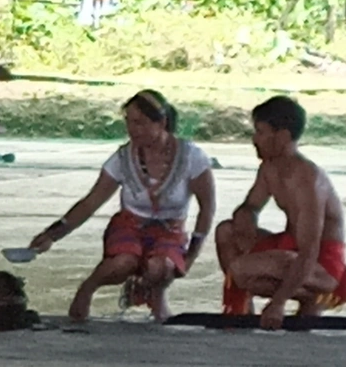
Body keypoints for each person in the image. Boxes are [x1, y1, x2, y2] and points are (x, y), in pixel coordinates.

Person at [27, 89, 218, 324]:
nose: (132, 129)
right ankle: (88, 288)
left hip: (170, 230)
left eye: (140, 123)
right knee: (124, 262)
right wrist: (52, 234)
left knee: (160, 266)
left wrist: (191, 256)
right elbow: (91, 202)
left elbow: (207, 209)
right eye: (128, 122)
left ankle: (155, 294)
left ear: (161, 123)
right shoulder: (123, 158)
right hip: (129, 226)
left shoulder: (192, 157)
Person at [217, 94, 346, 328]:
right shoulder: (269, 168)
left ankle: (315, 297)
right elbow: (250, 206)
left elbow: (309, 250)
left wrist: (277, 304)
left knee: (241, 269)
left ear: (282, 137)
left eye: (260, 132)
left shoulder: (309, 181)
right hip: (290, 250)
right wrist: (245, 218)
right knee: (226, 231)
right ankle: (243, 309)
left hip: (322, 263)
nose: (254, 139)